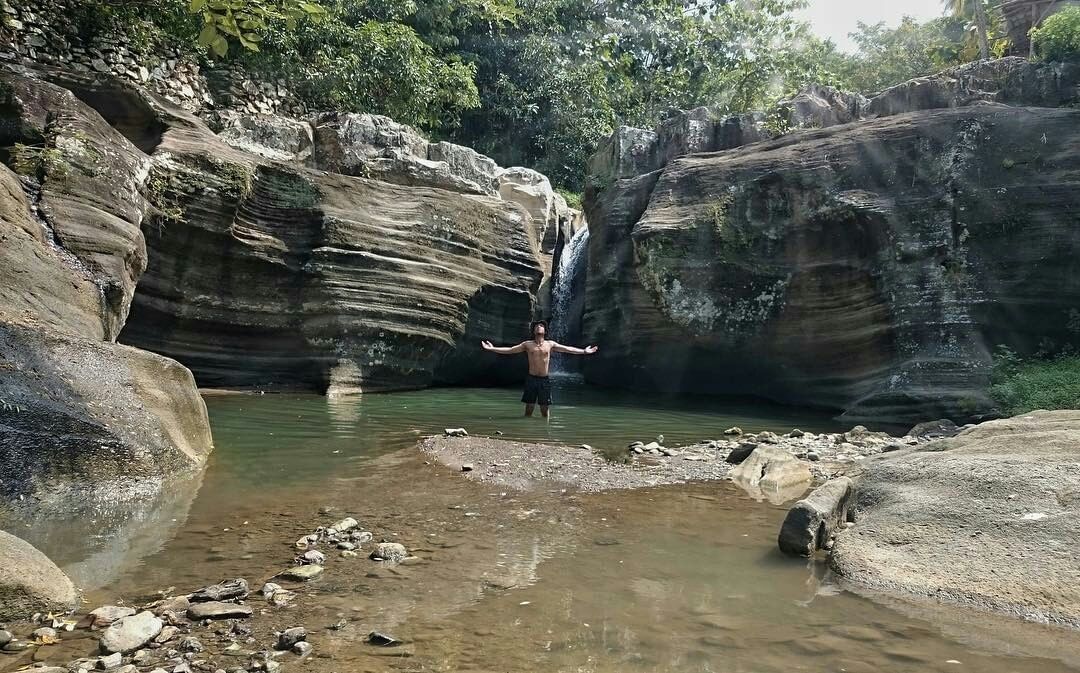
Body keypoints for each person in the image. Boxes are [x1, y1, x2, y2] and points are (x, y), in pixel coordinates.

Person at [481, 320, 598, 417]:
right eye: (537, 326)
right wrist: (492, 348)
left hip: (544, 379)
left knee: (544, 408)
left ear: (545, 331)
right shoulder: (527, 344)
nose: (539, 327)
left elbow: (568, 349)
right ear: (534, 331)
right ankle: (527, 429)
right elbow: (510, 350)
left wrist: (584, 351)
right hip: (531, 379)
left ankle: (545, 430)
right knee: (529, 407)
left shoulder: (550, 344)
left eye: (541, 326)